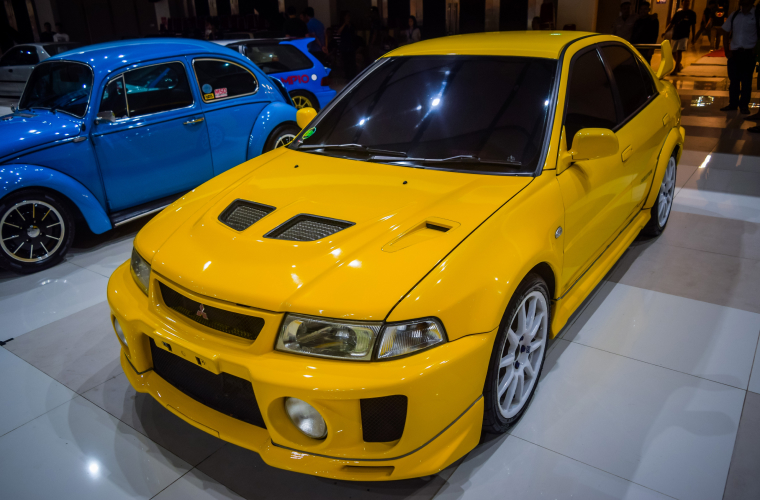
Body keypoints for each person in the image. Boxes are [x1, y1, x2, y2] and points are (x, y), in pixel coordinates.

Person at [721, 0, 758, 115]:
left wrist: (755, 49)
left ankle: (744, 106)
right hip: (735, 53)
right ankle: (733, 104)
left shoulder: (757, 15)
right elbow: (725, 31)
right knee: (734, 80)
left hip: (748, 53)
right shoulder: (735, 15)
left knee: (746, 80)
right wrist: (727, 50)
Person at [662, 0, 697, 74]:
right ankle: (679, 65)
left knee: (679, 51)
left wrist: (693, 37)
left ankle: (675, 69)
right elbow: (671, 24)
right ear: (682, 3)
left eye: (688, 2)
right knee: (673, 52)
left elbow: (693, 26)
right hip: (676, 34)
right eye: (685, 2)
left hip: (684, 35)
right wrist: (665, 32)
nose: (687, 3)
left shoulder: (692, 14)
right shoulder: (678, 14)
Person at [338, 11, 357, 80]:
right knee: (346, 63)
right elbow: (339, 32)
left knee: (352, 62)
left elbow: (354, 34)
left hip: (351, 46)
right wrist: (344, 24)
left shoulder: (352, 25)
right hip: (344, 46)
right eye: (347, 16)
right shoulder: (342, 25)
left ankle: (353, 77)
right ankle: (347, 77)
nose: (348, 18)